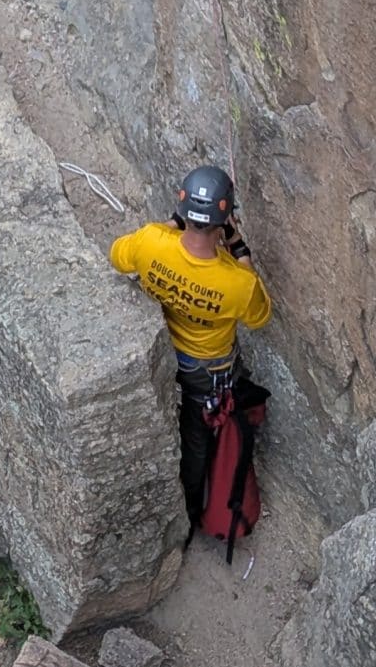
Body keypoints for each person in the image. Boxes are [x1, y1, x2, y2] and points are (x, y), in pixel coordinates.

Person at [111, 164, 271, 531]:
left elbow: (117, 254)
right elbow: (260, 316)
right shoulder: (239, 283)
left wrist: (172, 225)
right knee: (197, 438)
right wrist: (239, 248)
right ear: (224, 219)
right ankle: (193, 507)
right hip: (207, 370)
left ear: (182, 208)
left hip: (165, 348)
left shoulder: (150, 242)